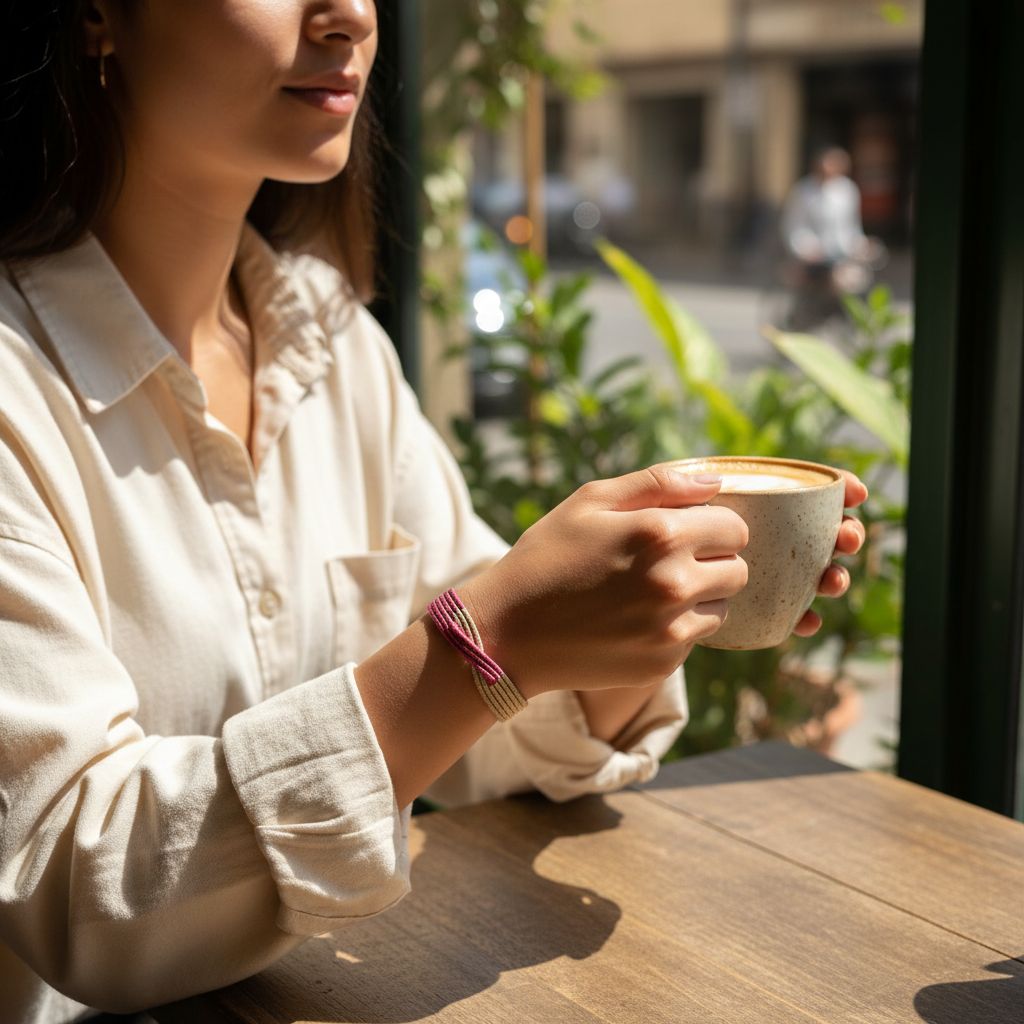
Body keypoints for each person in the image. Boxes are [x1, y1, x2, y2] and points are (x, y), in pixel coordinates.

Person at [0, 4, 867, 1022]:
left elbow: (494, 731)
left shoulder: (336, 348)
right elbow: (73, 893)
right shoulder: (20, 391)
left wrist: (629, 625)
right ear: (100, 14)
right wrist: (484, 646)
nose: (351, 13)